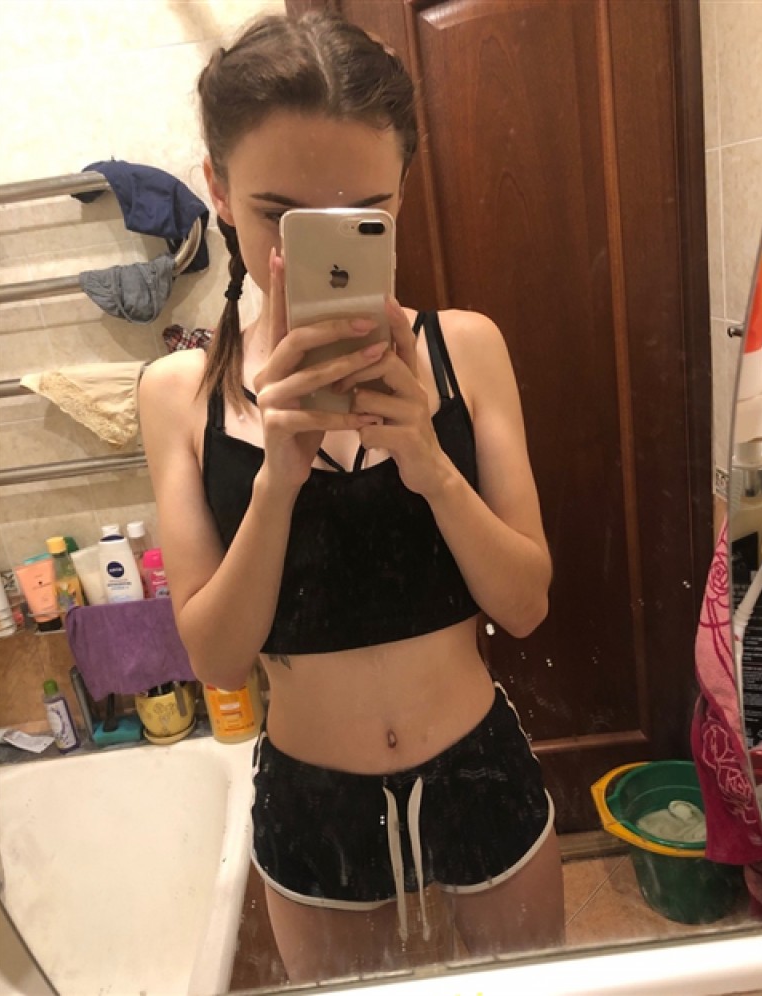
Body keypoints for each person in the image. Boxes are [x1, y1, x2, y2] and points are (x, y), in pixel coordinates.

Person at [139, 9, 564, 984]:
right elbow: (219, 658)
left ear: (401, 193)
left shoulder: (465, 350)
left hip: (478, 768)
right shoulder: (180, 394)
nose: (314, 256)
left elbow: (525, 604)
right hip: (310, 800)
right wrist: (277, 480)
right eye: (281, 219)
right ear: (218, 190)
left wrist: (429, 462)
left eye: (360, 215)